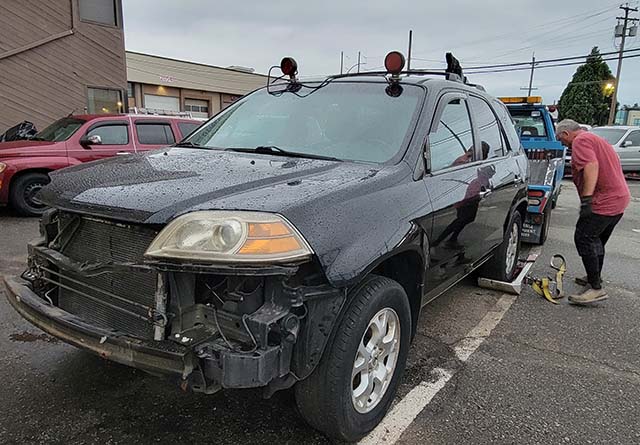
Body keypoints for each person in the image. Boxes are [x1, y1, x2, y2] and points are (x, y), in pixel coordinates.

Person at [555, 119, 631, 305]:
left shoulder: (580, 141)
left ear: (566, 134)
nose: (561, 143)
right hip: (619, 198)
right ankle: (593, 278)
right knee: (597, 240)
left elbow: (591, 165)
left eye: (560, 139)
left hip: (604, 201)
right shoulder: (595, 139)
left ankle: (596, 288)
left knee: (584, 238)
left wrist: (587, 199)